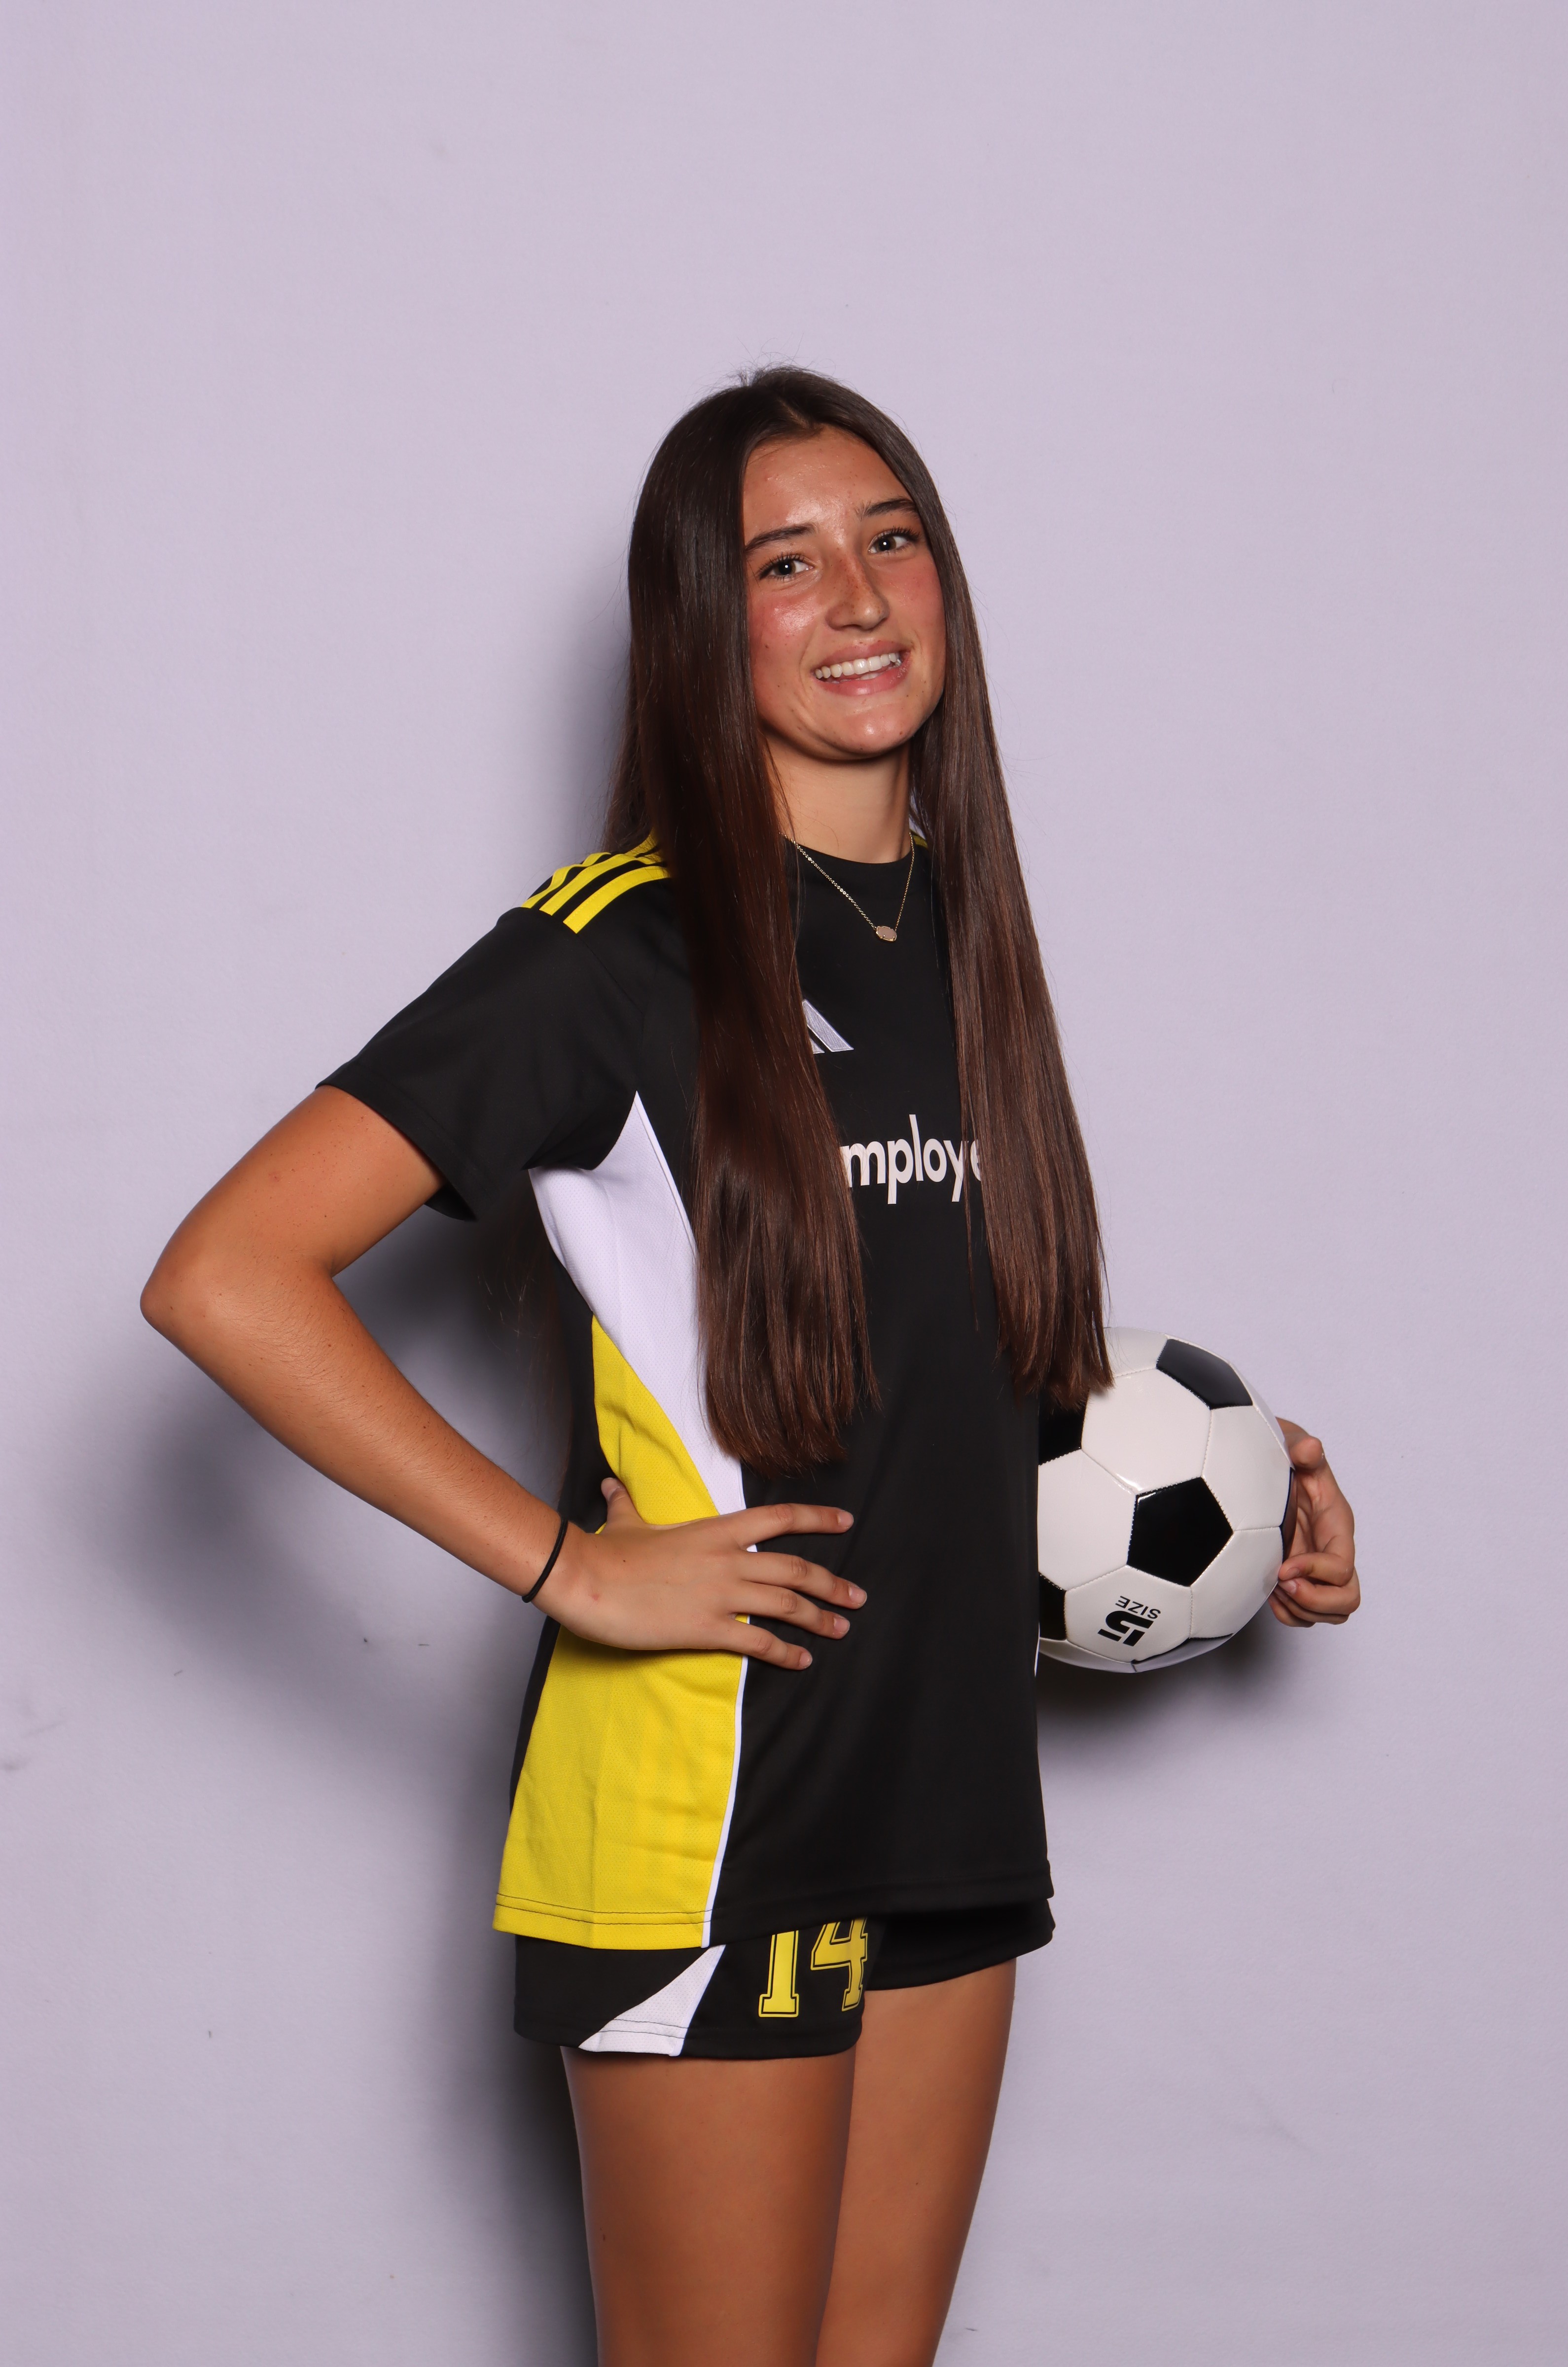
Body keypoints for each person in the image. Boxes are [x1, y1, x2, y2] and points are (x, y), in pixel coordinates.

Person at [141, 368, 1359, 2367]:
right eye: (782, 565)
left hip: (946, 1791)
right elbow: (226, 1274)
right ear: (704, 629)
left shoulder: (961, 932)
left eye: (892, 540)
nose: (856, 597)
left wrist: (1237, 1481)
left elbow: (920, 1348)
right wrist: (569, 1566)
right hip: (712, 1806)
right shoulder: (613, 955)